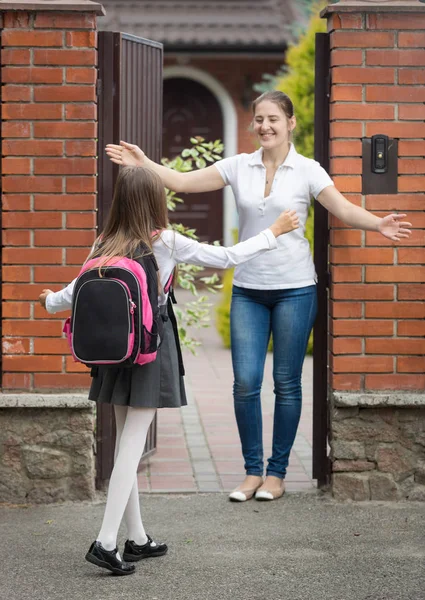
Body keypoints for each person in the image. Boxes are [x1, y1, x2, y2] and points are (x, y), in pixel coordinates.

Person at [105, 90, 412, 503]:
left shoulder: (308, 170)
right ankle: (252, 472)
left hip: (295, 288)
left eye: (273, 119)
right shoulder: (238, 167)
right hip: (249, 288)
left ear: (290, 123)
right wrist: (144, 164)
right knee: (245, 383)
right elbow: (182, 182)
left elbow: (341, 209)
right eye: (259, 119)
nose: (265, 126)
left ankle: (277, 474)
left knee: (286, 383)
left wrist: (379, 224)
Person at [38, 165, 300, 575]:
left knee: (127, 439)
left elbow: (71, 294)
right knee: (131, 445)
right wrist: (275, 232)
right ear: (155, 201)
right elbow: (227, 257)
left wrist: (48, 300)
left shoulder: (103, 243)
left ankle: (137, 538)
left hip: (112, 354)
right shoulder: (167, 241)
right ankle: (106, 542)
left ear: (121, 202)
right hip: (146, 349)